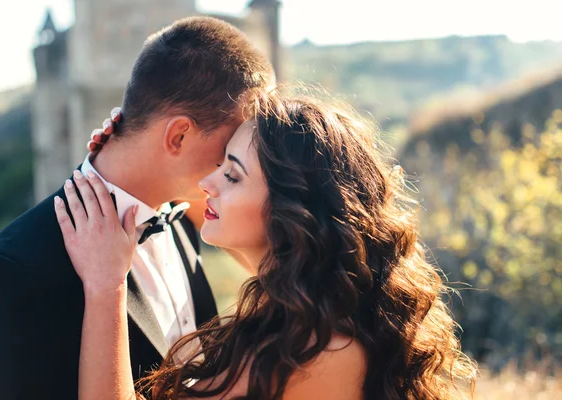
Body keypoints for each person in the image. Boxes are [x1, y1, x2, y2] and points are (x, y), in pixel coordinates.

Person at [56, 89, 478, 399]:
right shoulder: (298, 315)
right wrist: (138, 148)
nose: (207, 184)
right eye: (220, 165)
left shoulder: (319, 351)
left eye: (232, 175)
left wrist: (105, 285)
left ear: (292, 211)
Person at [0, 16, 274, 400]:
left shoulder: (185, 221)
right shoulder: (8, 275)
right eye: (229, 148)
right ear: (178, 136)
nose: (229, 165)